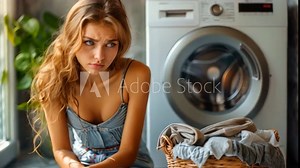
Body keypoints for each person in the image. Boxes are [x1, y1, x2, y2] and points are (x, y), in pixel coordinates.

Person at [29, 0, 153, 167]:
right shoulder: (52, 78)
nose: (99, 56)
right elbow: (61, 150)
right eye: (89, 42)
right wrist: (74, 166)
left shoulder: (136, 74)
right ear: (72, 38)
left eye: (110, 44)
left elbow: (128, 152)